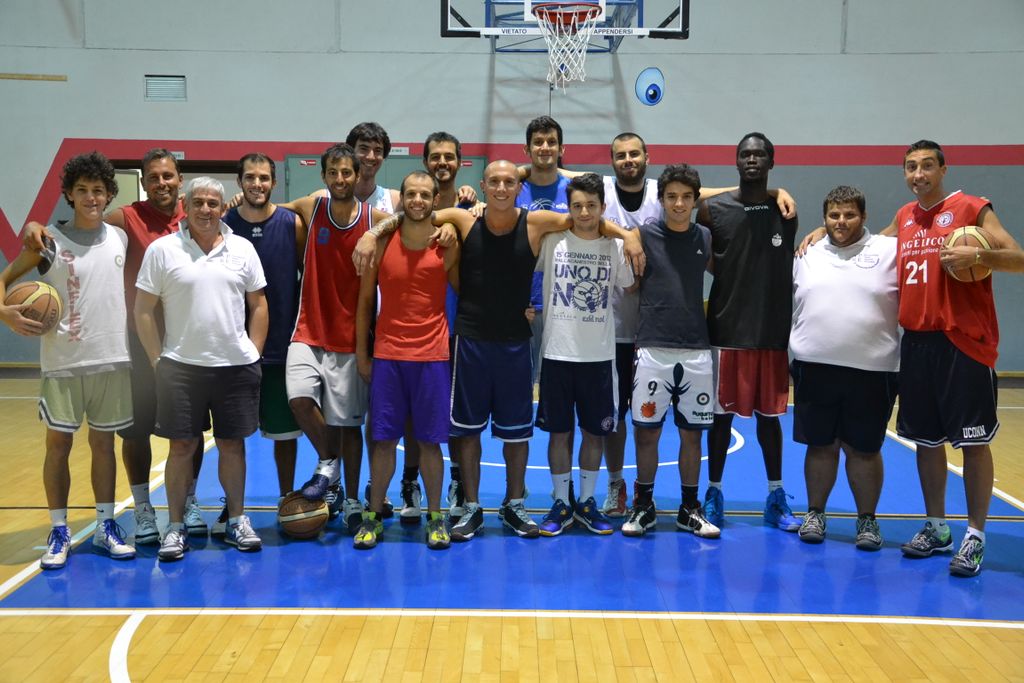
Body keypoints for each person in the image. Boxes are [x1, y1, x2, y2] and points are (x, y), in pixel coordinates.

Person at [352, 159, 643, 542]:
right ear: (483, 186)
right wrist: (373, 233)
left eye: (508, 181)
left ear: (517, 187)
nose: (502, 188)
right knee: (467, 433)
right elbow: (412, 215)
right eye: (495, 182)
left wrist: (628, 235)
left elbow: (584, 220)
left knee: (516, 435)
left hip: (515, 342)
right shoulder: (463, 219)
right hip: (470, 341)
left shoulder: (536, 223)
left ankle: (513, 504)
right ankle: (472, 506)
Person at [20, 149, 208, 544]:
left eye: (168, 176)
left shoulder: (196, 213)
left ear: (180, 178)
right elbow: (80, 227)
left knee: (188, 430)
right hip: (135, 343)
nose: (162, 183)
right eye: (153, 176)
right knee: (135, 433)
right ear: (143, 182)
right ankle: (142, 509)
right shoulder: (126, 219)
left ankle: (188, 502)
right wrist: (36, 225)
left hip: (186, 341)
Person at [1, 152, 135, 569]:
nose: (91, 198)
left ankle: (105, 525)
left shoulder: (120, 237)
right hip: (62, 362)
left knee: (104, 446)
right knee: (58, 446)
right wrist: (4, 312)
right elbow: (5, 279)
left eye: (98, 190)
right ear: (69, 195)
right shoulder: (48, 243)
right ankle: (59, 530)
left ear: (109, 195)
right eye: (82, 190)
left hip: (113, 359)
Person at [135, 176, 268, 561]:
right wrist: (157, 359)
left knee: (232, 445)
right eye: (199, 203)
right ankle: (175, 527)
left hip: (235, 367)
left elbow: (259, 304)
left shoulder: (242, 248)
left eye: (213, 203)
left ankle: (237, 520)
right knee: (181, 447)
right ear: (186, 205)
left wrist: (254, 353)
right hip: (180, 368)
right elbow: (143, 310)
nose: (206, 210)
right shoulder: (162, 250)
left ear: (222, 208)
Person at [698, 132, 801, 533]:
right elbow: (705, 253)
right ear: (736, 161)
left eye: (759, 155)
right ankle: (713, 493)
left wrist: (777, 192)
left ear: (771, 161)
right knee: (720, 419)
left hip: (771, 331)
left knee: (769, 421)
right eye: (745, 154)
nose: (752, 160)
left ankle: (775, 496)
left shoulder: (785, 210)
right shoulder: (713, 210)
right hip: (726, 330)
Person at [287, 144, 392, 535]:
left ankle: (349, 500)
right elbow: (268, 209)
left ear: (357, 174)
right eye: (333, 172)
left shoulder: (371, 217)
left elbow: (410, 220)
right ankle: (328, 463)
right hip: (308, 330)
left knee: (348, 426)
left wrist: (375, 232)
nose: (340, 179)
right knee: (299, 399)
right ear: (323, 176)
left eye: (346, 172)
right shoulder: (312, 207)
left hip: (350, 337)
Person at [353, 171, 460, 550]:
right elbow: (365, 303)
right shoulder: (383, 242)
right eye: (411, 194)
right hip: (388, 356)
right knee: (383, 441)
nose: (417, 200)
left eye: (425, 195)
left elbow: (468, 294)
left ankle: (436, 517)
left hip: (432, 357)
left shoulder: (447, 245)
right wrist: (363, 355)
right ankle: (373, 517)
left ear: (435, 200)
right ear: (402, 198)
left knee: (430, 443)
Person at [789, 186, 898, 550]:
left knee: (864, 449)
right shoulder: (807, 252)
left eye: (850, 215)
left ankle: (867, 520)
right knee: (820, 445)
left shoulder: (888, 250)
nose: (841, 221)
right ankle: (815, 513)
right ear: (824, 218)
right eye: (834, 215)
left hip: (873, 371)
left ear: (864, 217)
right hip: (814, 367)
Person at [620, 164, 719, 538]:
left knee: (692, 435)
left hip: (695, 349)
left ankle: (689, 509)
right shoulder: (643, 235)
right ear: (660, 199)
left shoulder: (705, 238)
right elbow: (628, 282)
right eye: (672, 196)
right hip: (652, 348)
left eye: (686, 197)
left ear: (695, 201)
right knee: (647, 433)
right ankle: (644, 506)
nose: (679, 203)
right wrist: (628, 239)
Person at [533, 173, 634, 536]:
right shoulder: (551, 241)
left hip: (600, 357)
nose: (585, 212)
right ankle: (562, 502)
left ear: (603, 207)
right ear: (569, 207)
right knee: (558, 434)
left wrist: (628, 237)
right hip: (557, 354)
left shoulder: (615, 247)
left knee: (594, 433)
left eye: (592, 205)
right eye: (577, 205)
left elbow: (629, 285)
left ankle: (587, 502)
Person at [221, 153, 305, 505]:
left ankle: (287, 499)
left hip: (281, 346)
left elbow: (305, 276)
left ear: (274, 182)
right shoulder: (223, 224)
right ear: (239, 181)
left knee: (285, 434)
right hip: (231, 349)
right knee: (231, 437)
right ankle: (232, 507)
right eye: (250, 177)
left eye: (264, 178)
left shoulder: (291, 224)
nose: (257, 184)